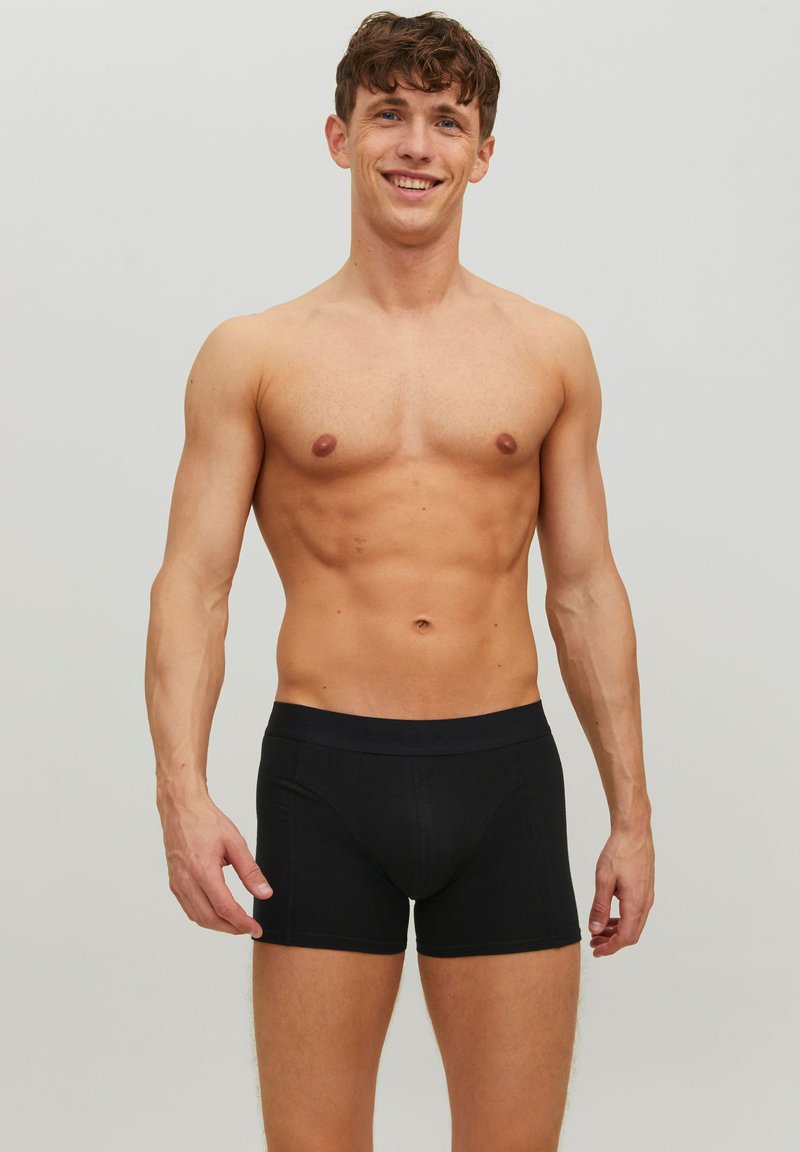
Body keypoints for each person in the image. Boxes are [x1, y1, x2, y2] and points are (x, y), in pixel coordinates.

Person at [145, 10, 655, 1150]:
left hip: (503, 779)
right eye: (388, 114)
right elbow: (192, 586)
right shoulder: (255, 354)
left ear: (483, 153)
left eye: (445, 120)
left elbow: (583, 589)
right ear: (339, 137)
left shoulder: (549, 352)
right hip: (326, 779)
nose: (415, 144)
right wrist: (181, 793)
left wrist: (631, 815)